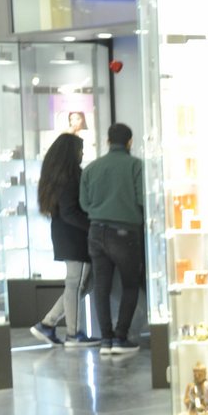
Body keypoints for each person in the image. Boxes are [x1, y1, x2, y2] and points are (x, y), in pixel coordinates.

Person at [78, 122, 145, 356]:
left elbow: (84, 204)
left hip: (96, 232)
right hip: (125, 233)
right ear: (130, 142)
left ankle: (105, 339)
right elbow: (142, 199)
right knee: (130, 285)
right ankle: (120, 337)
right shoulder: (136, 166)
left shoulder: (92, 168)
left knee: (101, 287)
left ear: (107, 141)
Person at [29, 133, 100, 348]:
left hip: (66, 236)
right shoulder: (70, 178)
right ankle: (73, 333)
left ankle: (48, 324)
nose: (82, 154)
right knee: (76, 285)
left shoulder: (57, 177)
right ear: (72, 153)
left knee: (79, 286)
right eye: (80, 150)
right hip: (74, 238)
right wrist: (93, 226)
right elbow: (70, 212)